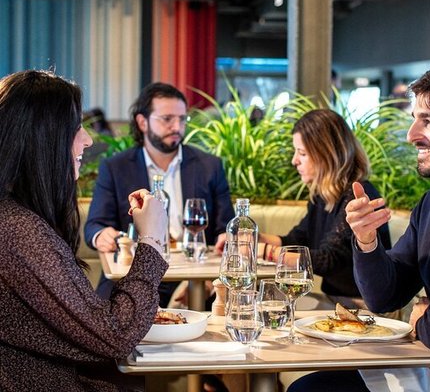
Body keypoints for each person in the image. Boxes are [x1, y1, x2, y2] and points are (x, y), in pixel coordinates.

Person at [289, 63, 430, 391]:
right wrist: (367, 240)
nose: (411, 134)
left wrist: (422, 317)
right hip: (427, 366)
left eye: (428, 121)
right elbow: (383, 296)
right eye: (414, 118)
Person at [0, 70, 168, 391]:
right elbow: (115, 335)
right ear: (43, 137)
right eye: (77, 127)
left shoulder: (15, 218)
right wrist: (152, 239)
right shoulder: (18, 230)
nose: (89, 140)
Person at [84, 82, 234, 307]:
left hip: (194, 274)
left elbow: (226, 227)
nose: (177, 126)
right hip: (134, 272)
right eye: (167, 119)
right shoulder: (116, 167)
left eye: (182, 119)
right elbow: (94, 225)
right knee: (103, 313)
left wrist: (226, 238)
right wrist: (102, 234)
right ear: (142, 122)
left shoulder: (209, 166)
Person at [251, 109, 392, 308]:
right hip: (337, 302)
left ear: (327, 154)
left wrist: (266, 252)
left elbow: (328, 260)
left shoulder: (358, 196)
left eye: (302, 153)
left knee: (270, 308)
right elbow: (296, 240)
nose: (294, 161)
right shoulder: (323, 194)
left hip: (363, 307)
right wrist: (252, 237)